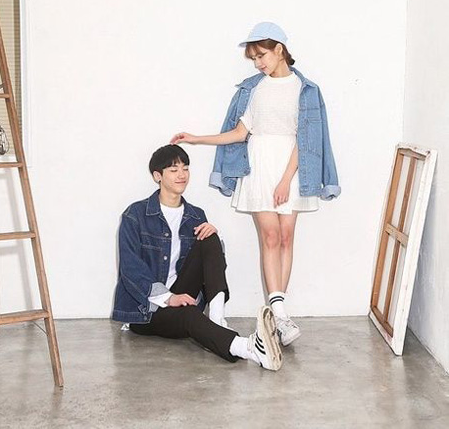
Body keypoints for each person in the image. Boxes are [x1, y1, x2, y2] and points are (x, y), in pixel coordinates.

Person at [171, 22, 340, 347]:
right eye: (254, 58)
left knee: (287, 237)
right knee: (271, 236)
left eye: (261, 55)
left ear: (279, 49)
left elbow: (306, 139)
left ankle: (277, 314)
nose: (258, 63)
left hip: (293, 168)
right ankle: (280, 314)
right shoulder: (254, 89)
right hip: (260, 167)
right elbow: (239, 133)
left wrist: (285, 180)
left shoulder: (306, 89)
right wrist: (197, 139)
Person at [112, 144, 283, 371]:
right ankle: (248, 348)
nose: (181, 175)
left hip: (182, 294)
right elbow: (130, 268)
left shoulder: (195, 215)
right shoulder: (135, 215)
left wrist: (216, 238)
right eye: (173, 170)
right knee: (189, 315)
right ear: (157, 176)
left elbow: (211, 262)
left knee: (210, 236)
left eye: (185, 168)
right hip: (146, 309)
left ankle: (217, 319)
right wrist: (168, 298)